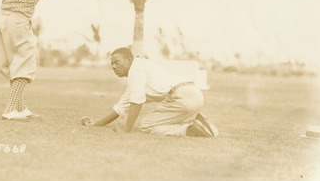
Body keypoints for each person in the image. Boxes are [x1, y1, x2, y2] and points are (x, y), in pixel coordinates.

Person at [81, 47, 218, 137]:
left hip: (182, 97)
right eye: (112, 64)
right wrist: (96, 124)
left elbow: (136, 102)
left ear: (129, 60)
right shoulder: (138, 71)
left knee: (147, 125)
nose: (114, 67)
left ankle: (190, 129)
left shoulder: (136, 69)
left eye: (117, 62)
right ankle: (201, 124)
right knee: (157, 121)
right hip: (194, 95)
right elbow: (120, 108)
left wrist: (127, 129)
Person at [0, 0, 64, 121]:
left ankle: (21, 107)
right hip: (18, 21)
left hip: (2, 18)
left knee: (11, 64)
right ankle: (10, 109)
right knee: (25, 64)